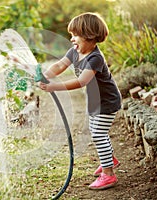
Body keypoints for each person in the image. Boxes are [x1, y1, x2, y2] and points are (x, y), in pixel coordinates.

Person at [39, 12, 122, 190]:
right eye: (71, 35)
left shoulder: (95, 58)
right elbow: (60, 65)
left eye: (75, 35)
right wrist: (46, 75)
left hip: (107, 102)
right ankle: (109, 159)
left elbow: (81, 81)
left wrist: (54, 87)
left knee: (99, 134)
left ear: (90, 36)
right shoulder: (75, 52)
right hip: (95, 101)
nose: (72, 39)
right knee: (95, 131)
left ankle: (108, 174)